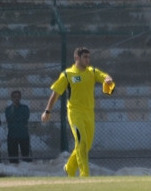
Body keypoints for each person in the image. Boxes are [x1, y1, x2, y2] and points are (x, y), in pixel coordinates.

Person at [41, 47, 115, 178]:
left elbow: (105, 76)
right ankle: (84, 174)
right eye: (85, 57)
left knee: (87, 145)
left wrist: (108, 80)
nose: (88, 60)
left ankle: (69, 167)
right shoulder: (68, 74)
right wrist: (47, 111)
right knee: (81, 142)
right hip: (75, 113)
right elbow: (56, 93)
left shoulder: (92, 71)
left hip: (89, 113)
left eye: (89, 57)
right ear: (77, 58)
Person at [4, 90, 33, 164]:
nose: (16, 98)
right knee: (13, 156)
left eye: (18, 97)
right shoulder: (8, 109)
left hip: (23, 134)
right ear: (11, 98)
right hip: (12, 134)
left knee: (25, 155)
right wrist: (17, 118)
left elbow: (25, 117)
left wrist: (15, 119)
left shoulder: (25, 107)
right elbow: (9, 118)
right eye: (14, 97)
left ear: (20, 98)